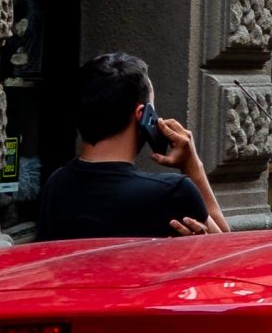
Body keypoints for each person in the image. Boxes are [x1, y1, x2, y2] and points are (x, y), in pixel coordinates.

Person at [36, 52, 225, 242]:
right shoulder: (173, 192)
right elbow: (231, 248)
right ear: (142, 114)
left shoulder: (56, 185)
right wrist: (193, 167)